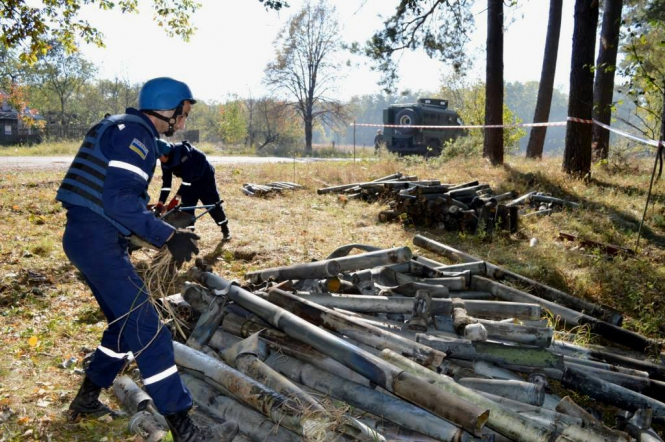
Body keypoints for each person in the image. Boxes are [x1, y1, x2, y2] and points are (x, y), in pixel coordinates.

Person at [55, 77, 238, 442]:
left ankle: (87, 398)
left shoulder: (122, 127)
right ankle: (185, 430)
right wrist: (168, 236)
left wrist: (150, 223)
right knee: (151, 333)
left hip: (84, 236)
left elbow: (118, 193)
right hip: (97, 242)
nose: (183, 122)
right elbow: (119, 201)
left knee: (123, 327)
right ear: (166, 109)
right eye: (182, 114)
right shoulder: (134, 135)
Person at [154, 139, 231, 241]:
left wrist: (175, 199)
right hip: (189, 182)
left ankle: (225, 229)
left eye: (160, 156)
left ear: (167, 153)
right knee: (187, 208)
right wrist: (160, 203)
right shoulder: (165, 162)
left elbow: (187, 180)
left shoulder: (184, 153)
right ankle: (189, 236)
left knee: (213, 204)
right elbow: (166, 184)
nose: (159, 159)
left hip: (205, 178)